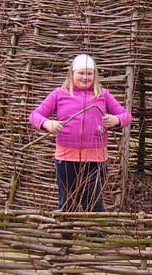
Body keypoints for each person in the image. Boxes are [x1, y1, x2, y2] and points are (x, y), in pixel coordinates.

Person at [29, 53, 132, 212]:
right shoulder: (59, 94)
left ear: (95, 75)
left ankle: (95, 237)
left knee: (94, 203)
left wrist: (116, 120)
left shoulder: (103, 95)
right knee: (67, 202)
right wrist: (47, 123)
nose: (85, 77)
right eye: (81, 73)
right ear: (72, 74)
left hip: (96, 160)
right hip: (66, 158)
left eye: (89, 73)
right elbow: (35, 115)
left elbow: (126, 116)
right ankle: (67, 235)